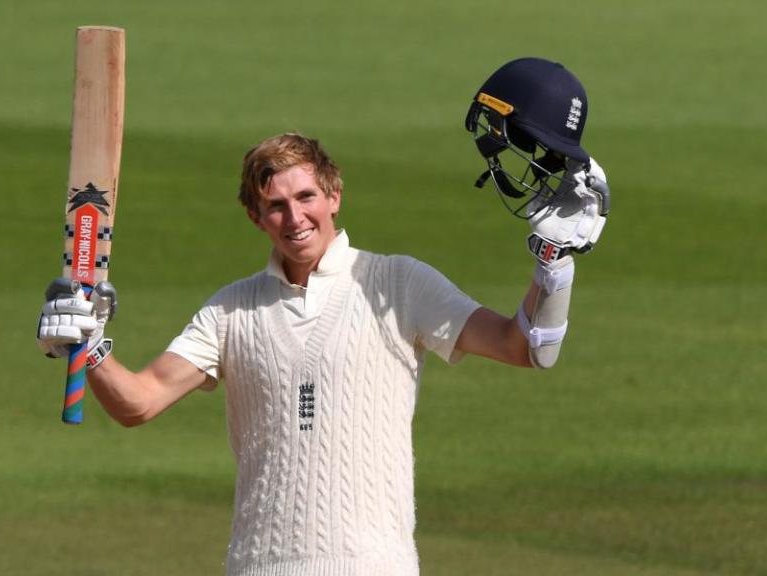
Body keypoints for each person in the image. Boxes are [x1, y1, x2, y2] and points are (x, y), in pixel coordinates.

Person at [37, 57, 610, 576]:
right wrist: (90, 346)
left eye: (307, 197)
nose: (295, 218)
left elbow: (527, 346)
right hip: (260, 566)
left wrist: (553, 269)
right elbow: (139, 402)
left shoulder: (398, 282)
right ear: (256, 217)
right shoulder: (231, 309)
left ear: (334, 194)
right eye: (276, 206)